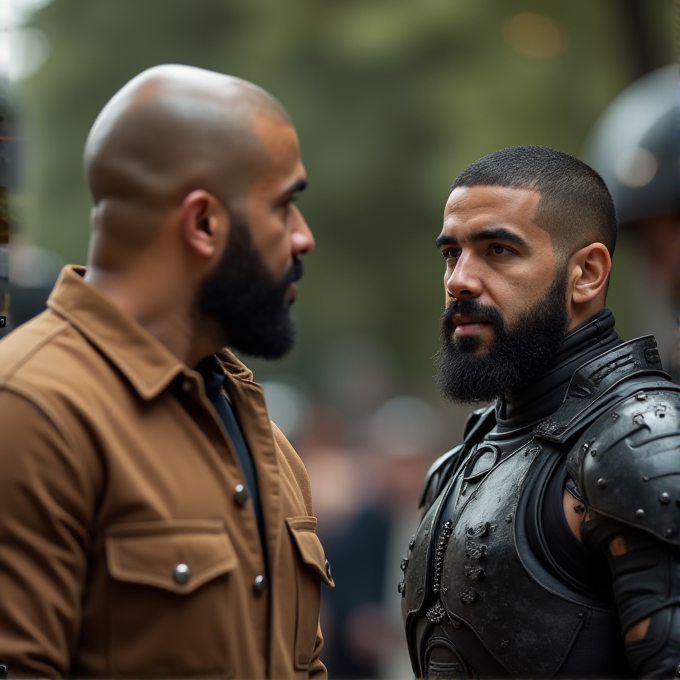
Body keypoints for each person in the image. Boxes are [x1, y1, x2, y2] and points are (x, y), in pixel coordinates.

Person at [0, 64, 333, 679]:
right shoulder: (28, 410)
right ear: (203, 223)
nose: (303, 237)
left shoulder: (265, 439)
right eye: (284, 206)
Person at [399, 146, 680, 678]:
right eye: (450, 254)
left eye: (498, 250)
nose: (459, 279)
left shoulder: (646, 444)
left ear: (587, 274)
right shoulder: (461, 463)